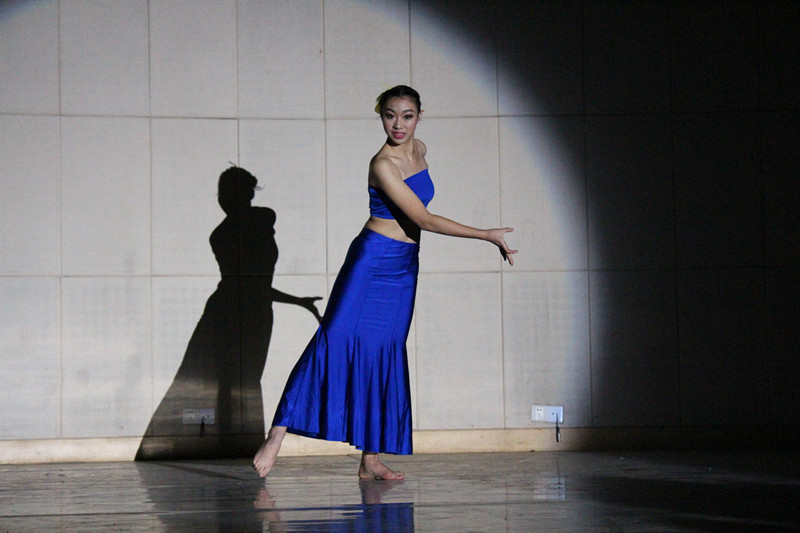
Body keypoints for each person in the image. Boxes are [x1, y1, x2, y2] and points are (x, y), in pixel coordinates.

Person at [253, 85, 516, 479]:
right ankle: (277, 434)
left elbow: (418, 218)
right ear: (381, 116)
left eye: (407, 116)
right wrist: (486, 234)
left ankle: (370, 460)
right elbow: (423, 219)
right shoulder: (382, 164)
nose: (398, 124)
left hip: (404, 266)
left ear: (419, 116)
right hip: (372, 262)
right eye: (390, 115)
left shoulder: (420, 150)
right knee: (332, 341)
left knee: (385, 352)